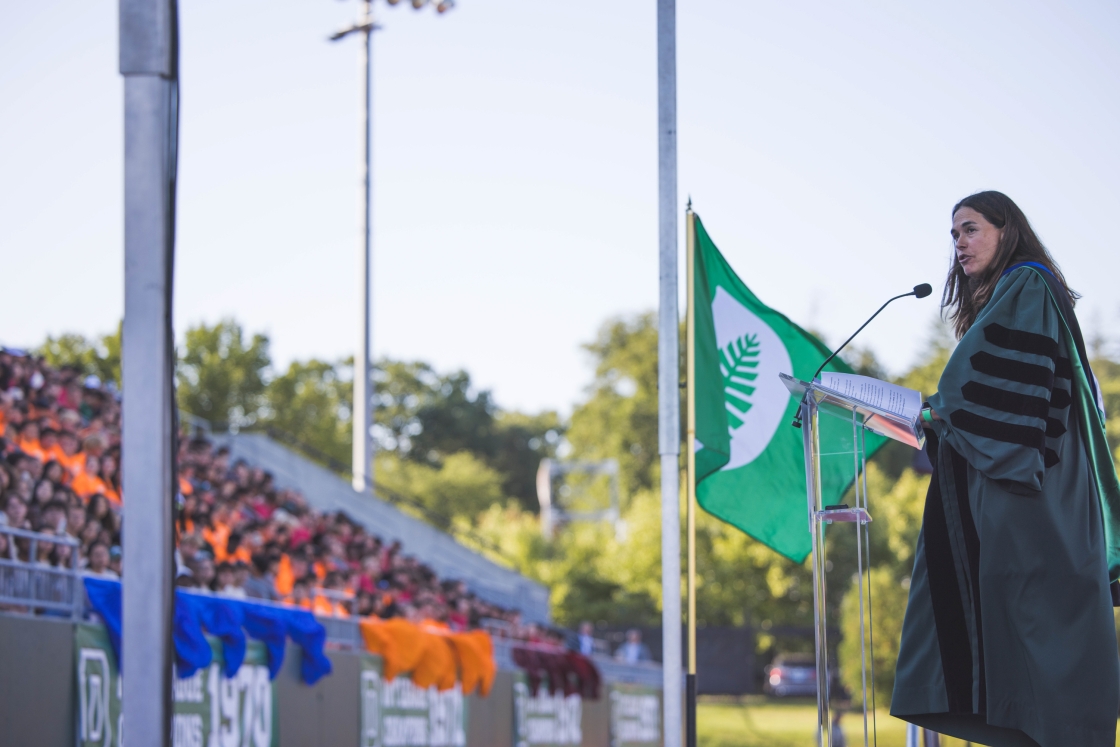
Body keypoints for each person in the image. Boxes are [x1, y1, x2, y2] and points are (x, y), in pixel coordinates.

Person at [891, 192, 1120, 747]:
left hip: (1033, 494)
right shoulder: (1029, 291)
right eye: (954, 235)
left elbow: (975, 393)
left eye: (970, 229)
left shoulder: (1029, 282)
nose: (960, 244)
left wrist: (935, 409)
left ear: (1006, 229)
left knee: (1034, 629)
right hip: (1035, 489)